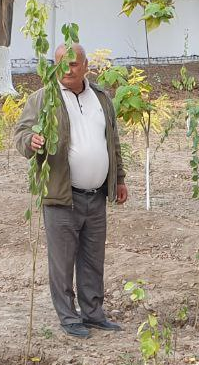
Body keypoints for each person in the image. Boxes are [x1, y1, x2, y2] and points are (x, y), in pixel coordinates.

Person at [13, 43, 128, 339]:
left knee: (92, 257)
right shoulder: (43, 99)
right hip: (62, 195)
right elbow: (21, 133)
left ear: (86, 66)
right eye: (61, 64)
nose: (67, 70)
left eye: (74, 64)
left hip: (96, 195)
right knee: (62, 260)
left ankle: (93, 313)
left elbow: (111, 141)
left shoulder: (100, 98)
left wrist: (119, 179)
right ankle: (68, 316)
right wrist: (31, 141)